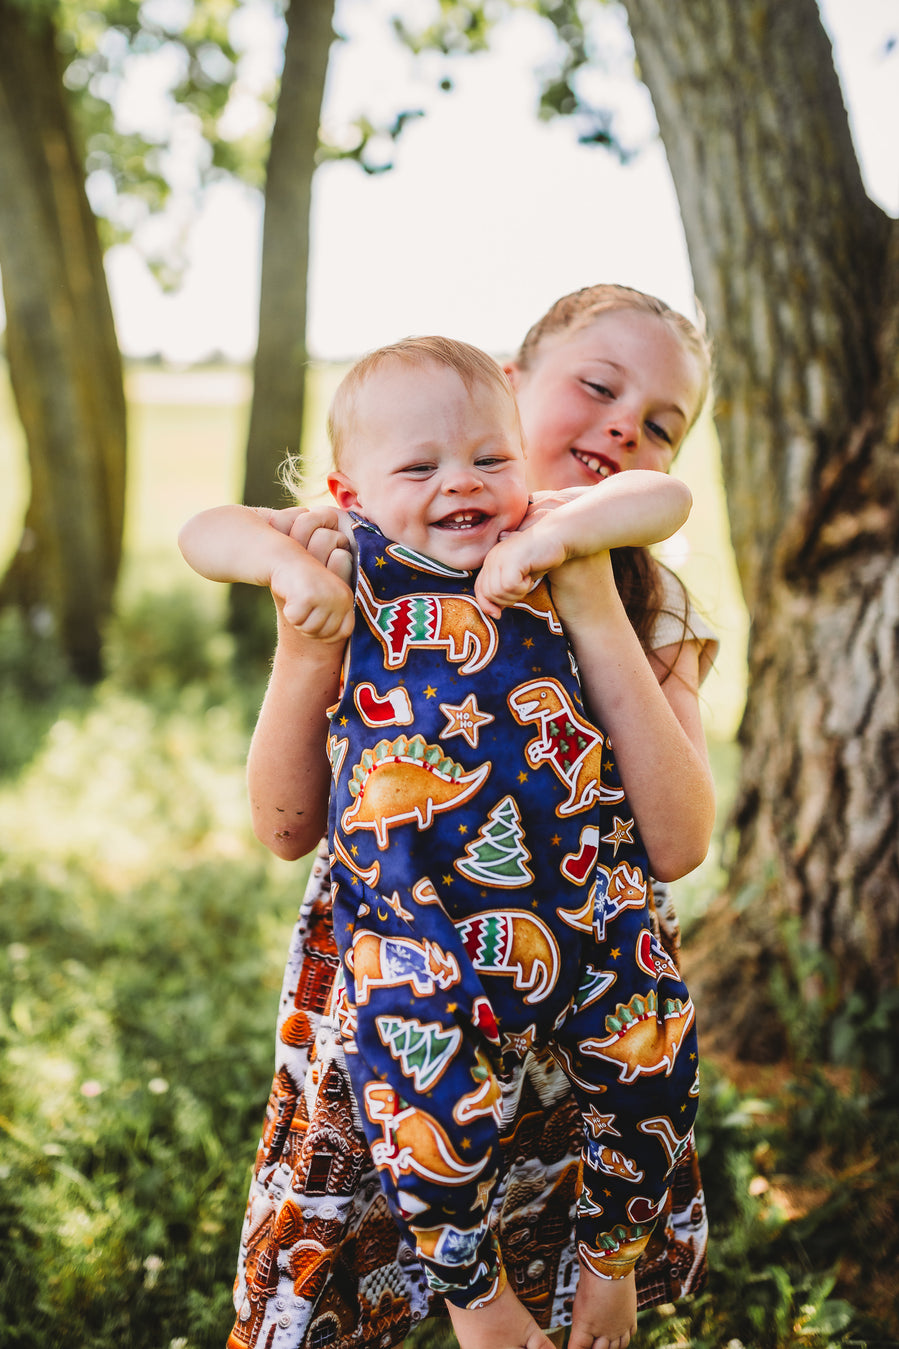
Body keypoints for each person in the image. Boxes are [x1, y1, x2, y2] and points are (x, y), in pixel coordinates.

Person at [183, 285, 718, 1349]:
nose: (627, 424)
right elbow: (214, 535)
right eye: (600, 386)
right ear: (511, 393)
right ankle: (480, 1305)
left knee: (653, 1067)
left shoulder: (628, 572)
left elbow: (682, 840)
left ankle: (599, 1263)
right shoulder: (371, 542)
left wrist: (582, 585)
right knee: (394, 1192)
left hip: (594, 931)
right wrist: (300, 600)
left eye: (662, 418)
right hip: (411, 947)